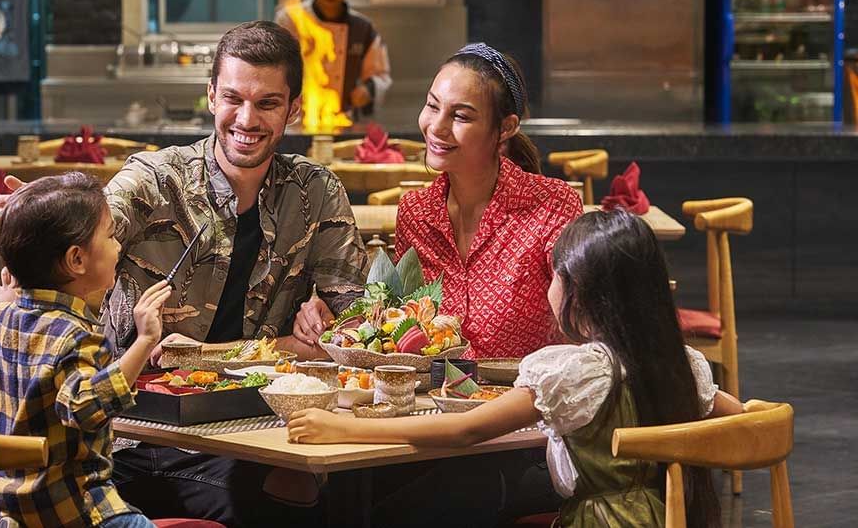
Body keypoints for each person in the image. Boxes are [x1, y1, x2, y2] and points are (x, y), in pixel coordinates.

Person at [0, 20, 368, 526]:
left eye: (267, 103)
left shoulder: (315, 191)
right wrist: (40, 226)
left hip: (247, 431)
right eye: (233, 97)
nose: (246, 118)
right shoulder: (156, 177)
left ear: (293, 109)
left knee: (320, 497)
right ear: (211, 95)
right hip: (127, 431)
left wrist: (326, 324)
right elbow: (79, 242)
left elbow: (361, 324)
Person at [288, 209, 745, 527]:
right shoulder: (681, 364)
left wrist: (339, 427)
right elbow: (746, 421)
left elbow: (463, 431)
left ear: (580, 295)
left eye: (555, 275)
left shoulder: (575, 373)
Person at [0, 172, 173, 528]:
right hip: (79, 513)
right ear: (77, 260)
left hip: (14, 517)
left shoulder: (1, 321)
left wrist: (0, 308)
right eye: (110, 236)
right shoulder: (79, 336)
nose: (119, 246)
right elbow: (87, 407)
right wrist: (145, 341)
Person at [396, 42, 583, 360]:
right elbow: (404, 333)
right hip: (435, 400)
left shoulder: (553, 206)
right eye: (432, 106)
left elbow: (581, 331)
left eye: (461, 117)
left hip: (527, 400)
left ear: (506, 127)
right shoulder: (415, 212)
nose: (437, 127)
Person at [275, 0, 391, 118]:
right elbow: (276, 67)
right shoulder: (290, 19)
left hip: (342, 121)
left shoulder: (363, 28)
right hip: (296, 119)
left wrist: (368, 90)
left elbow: (380, 75)